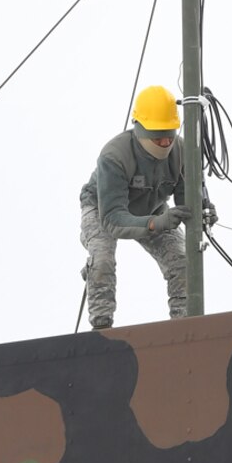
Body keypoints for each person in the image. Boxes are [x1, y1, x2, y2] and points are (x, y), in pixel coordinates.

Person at [80, 85, 189, 329]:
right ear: (140, 130)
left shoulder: (181, 151)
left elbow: (186, 200)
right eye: (157, 135)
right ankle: (102, 327)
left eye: (169, 134)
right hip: (102, 209)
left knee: (182, 260)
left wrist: (201, 209)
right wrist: (154, 223)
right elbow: (112, 219)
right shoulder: (114, 156)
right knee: (102, 259)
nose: (164, 141)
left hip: (154, 208)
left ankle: (185, 324)